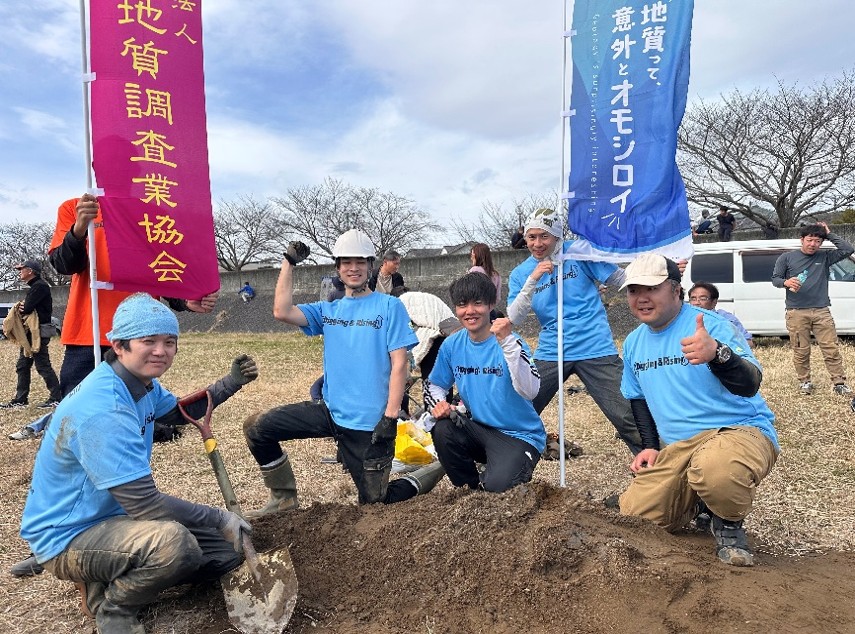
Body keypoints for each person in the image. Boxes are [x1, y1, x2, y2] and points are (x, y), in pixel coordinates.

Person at [19, 293, 259, 633]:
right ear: (119, 345)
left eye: (169, 342)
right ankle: (112, 607)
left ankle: (117, 571)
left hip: (114, 517)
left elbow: (178, 412)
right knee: (177, 545)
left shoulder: (141, 385)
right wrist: (219, 517)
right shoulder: (104, 409)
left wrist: (229, 384)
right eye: (149, 341)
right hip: (69, 534)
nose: (161, 351)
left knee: (224, 554)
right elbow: (146, 505)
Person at [8, 194, 219, 577]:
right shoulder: (77, 206)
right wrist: (79, 229)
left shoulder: (151, 208)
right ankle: (55, 541)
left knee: (130, 431)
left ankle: (111, 528)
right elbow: (62, 264)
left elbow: (154, 269)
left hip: (139, 334)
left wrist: (184, 301)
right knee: (70, 428)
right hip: (89, 333)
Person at [242, 230, 444, 516]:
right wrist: (288, 261)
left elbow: (400, 364)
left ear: (370, 266)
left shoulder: (389, 306)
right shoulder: (328, 310)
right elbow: (281, 311)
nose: (353, 268)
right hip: (330, 412)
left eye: (360, 262)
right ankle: (283, 498)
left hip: (370, 425)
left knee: (376, 503)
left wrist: (389, 418)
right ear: (338, 268)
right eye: (346, 262)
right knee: (257, 428)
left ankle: (436, 468)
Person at [617, 253, 779, 567]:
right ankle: (698, 502)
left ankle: (728, 525)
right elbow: (637, 398)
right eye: (634, 290)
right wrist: (650, 446)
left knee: (716, 470)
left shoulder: (711, 325)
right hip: (680, 447)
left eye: (652, 288)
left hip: (737, 431)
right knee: (637, 517)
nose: (642, 298)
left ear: (676, 290)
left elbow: (750, 384)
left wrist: (718, 354)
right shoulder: (634, 342)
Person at [507, 207, 643, 455]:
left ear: (557, 235)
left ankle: (657, 466)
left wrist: (659, 274)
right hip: (551, 349)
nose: (537, 243)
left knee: (626, 414)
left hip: (594, 344)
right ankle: (505, 463)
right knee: (519, 410)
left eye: (544, 236)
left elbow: (620, 279)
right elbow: (514, 317)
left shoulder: (579, 251)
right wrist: (533, 279)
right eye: (531, 237)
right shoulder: (520, 273)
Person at [425, 273, 545, 492]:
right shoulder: (452, 345)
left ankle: (497, 477)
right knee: (443, 428)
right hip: (478, 430)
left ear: (491, 305)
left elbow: (531, 391)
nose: (470, 311)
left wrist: (507, 343)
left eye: (478, 303)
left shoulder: (512, 342)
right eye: (462, 305)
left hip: (518, 436)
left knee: (498, 489)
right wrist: (439, 403)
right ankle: (470, 490)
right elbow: (435, 385)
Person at [772, 222, 853, 395]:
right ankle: (805, 382)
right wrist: (786, 282)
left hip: (821, 310)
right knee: (801, 349)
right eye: (809, 240)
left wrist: (829, 234)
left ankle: (839, 382)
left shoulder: (824, 257)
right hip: (796, 311)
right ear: (802, 239)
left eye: (817, 241)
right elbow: (775, 279)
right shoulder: (786, 258)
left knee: (831, 348)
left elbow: (848, 249)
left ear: (821, 243)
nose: (813, 244)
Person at [0, 260, 62, 409]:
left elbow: (26, 308)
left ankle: (56, 398)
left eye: (22, 269)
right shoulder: (36, 286)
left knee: (42, 365)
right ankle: (21, 399)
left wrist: (23, 306)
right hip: (31, 333)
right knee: (23, 365)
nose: (20, 272)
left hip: (37, 333)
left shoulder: (39, 286)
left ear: (30, 271)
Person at [687, 282, 755, 348]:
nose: (697, 302)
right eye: (693, 299)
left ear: (714, 302)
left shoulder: (726, 318)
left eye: (703, 299)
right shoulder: (685, 319)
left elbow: (748, 343)